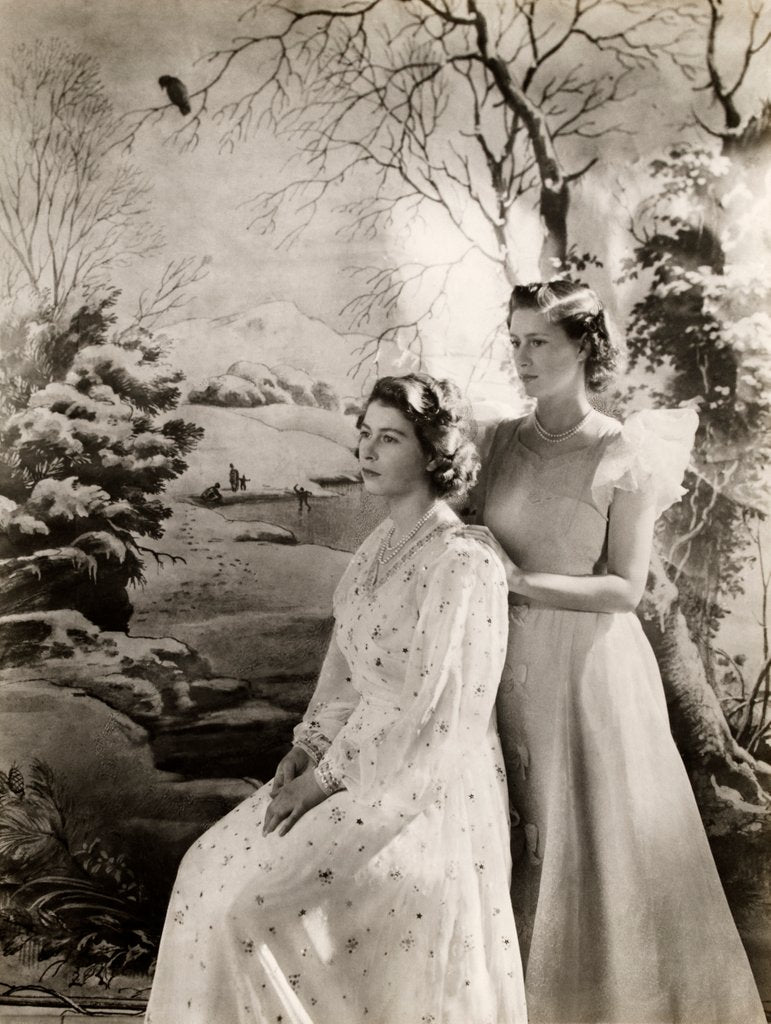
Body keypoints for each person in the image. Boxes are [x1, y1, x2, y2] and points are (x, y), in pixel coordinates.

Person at [146, 373, 528, 1024]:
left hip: (417, 787)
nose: (367, 450)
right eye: (364, 434)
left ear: (432, 454)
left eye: (390, 438)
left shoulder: (463, 563)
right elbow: (345, 672)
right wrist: (308, 748)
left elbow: (431, 716)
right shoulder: (377, 548)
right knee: (203, 867)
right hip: (349, 763)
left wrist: (323, 781)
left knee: (252, 912)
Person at [466, 279, 764, 1024]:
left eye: (539, 342)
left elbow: (626, 588)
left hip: (587, 668)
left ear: (583, 348)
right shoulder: (495, 442)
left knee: (594, 841)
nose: (522, 357)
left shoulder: (621, 449)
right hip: (501, 663)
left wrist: (517, 580)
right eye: (515, 341)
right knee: (518, 831)